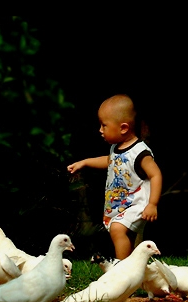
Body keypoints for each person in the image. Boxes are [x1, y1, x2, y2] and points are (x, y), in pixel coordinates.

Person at [67, 94, 162, 260]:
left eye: (104, 125)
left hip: (138, 203)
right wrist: (85, 162)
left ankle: (121, 267)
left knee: (118, 228)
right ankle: (133, 269)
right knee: (123, 233)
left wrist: (152, 204)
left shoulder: (140, 152)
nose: (100, 130)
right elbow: (111, 162)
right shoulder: (116, 148)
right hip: (121, 204)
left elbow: (155, 174)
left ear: (123, 128)